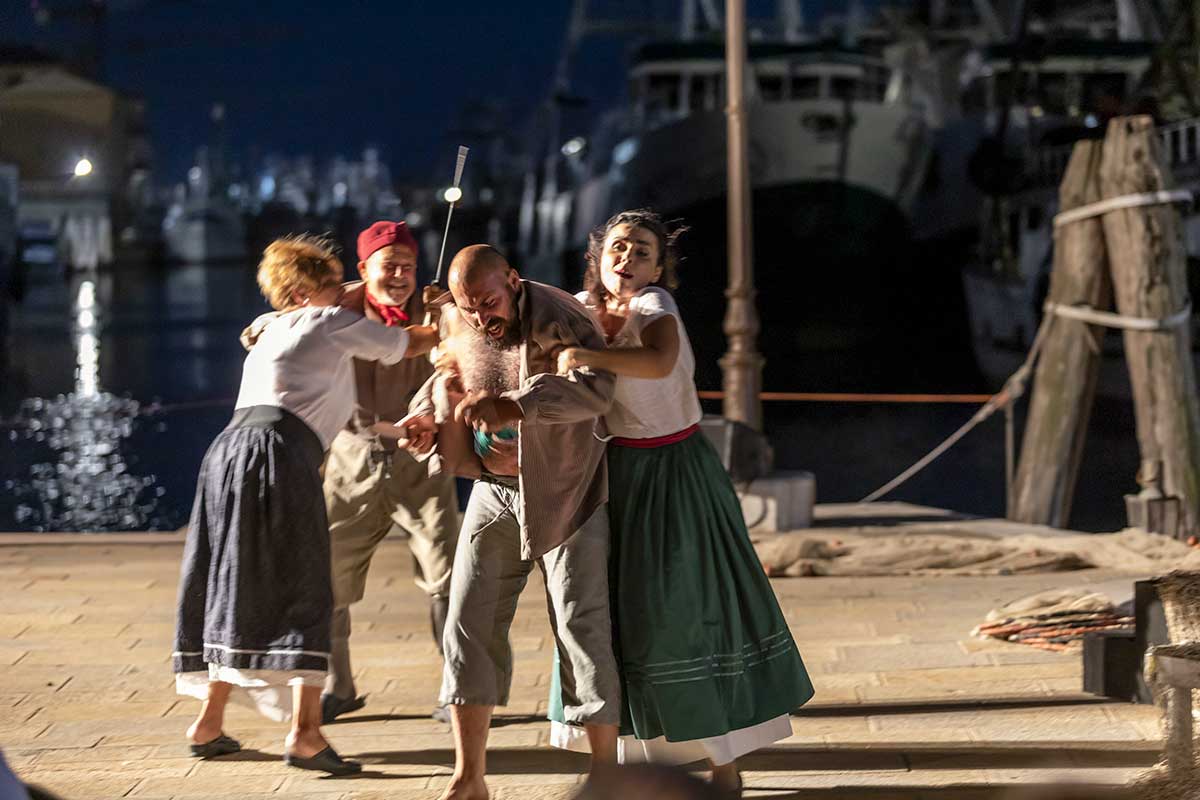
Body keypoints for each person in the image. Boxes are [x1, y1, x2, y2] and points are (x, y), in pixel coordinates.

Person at [550, 210, 814, 795]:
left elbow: (659, 360)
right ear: (598, 256)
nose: (628, 259)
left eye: (642, 251)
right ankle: (617, 766)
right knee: (614, 618)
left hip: (675, 474)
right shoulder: (578, 308)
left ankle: (724, 765)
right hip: (613, 474)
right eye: (619, 247)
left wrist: (588, 356)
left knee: (687, 613)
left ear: (658, 267)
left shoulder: (654, 306)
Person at [172, 234, 436, 776]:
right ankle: (306, 735)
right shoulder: (325, 321)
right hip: (277, 457)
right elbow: (411, 342)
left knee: (234, 582)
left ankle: (208, 723)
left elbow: (343, 412)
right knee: (307, 587)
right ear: (300, 293)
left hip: (228, 455)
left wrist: (396, 428)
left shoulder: (276, 331)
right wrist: (446, 311)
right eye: (332, 284)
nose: (343, 291)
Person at [398, 245, 621, 800]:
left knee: (580, 627)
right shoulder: (456, 316)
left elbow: (597, 391)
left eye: (488, 302)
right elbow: (445, 373)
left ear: (514, 281)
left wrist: (516, 404)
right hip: (492, 489)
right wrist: (423, 416)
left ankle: (607, 776)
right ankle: (469, 777)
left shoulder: (561, 315)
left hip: (567, 489)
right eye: (468, 306)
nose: (479, 317)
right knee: (465, 622)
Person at [320, 220, 460, 724]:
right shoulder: (334, 309)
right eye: (388, 266)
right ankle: (338, 686)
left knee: (447, 575)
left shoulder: (438, 310)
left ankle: (457, 688)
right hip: (350, 461)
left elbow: (458, 368)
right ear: (363, 269)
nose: (400, 276)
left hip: (421, 459)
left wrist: (435, 418)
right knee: (329, 576)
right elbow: (279, 325)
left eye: (408, 266)